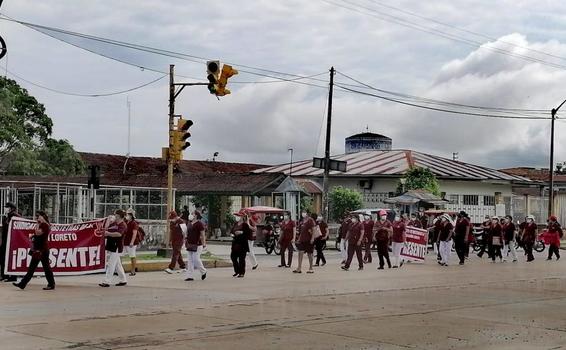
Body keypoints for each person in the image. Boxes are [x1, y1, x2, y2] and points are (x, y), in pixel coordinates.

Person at [13, 211, 55, 290]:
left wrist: (37, 225)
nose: (37, 218)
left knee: (46, 268)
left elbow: (38, 232)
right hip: (38, 250)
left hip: (42, 251)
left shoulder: (45, 225)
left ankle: (51, 284)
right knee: (32, 269)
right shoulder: (42, 225)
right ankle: (22, 284)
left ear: (43, 217)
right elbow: (37, 234)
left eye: (38, 216)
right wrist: (34, 236)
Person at [99, 210, 128, 287]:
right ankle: (123, 279)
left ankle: (106, 281)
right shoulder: (114, 223)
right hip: (111, 245)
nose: (114, 216)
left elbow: (118, 234)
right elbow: (106, 228)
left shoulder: (123, 225)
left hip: (117, 246)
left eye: (115, 215)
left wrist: (109, 234)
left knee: (111, 264)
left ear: (119, 216)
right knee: (117, 265)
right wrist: (108, 220)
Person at [185, 211, 207, 281]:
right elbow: (187, 233)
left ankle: (203, 271)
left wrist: (204, 243)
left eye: (192, 214)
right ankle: (190, 276)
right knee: (190, 260)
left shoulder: (199, 224)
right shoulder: (189, 223)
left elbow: (202, 234)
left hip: (198, 244)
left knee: (196, 259)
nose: (191, 215)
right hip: (190, 244)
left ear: (196, 215)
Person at [1, 202, 20, 282]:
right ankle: (4, 275)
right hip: (5, 240)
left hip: (12, 241)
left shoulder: (15, 216)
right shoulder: (6, 217)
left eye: (7, 207)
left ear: (11, 208)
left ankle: (12, 276)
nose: (5, 208)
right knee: (3, 258)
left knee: (11, 258)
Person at [230, 212, 252, 278]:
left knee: (241, 258)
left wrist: (241, 232)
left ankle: (242, 272)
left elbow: (248, 234)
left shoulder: (245, 225)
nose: (238, 217)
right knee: (233, 257)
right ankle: (237, 271)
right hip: (235, 242)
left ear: (243, 217)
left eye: (240, 216)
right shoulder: (235, 224)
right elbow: (232, 231)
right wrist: (232, 234)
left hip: (242, 243)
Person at [124, 208, 140, 276]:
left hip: (131, 243)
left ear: (131, 215)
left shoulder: (134, 223)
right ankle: (118, 270)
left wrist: (132, 242)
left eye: (128, 214)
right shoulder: (126, 222)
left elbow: (134, 233)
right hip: (125, 241)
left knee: (132, 256)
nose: (126, 216)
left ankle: (133, 270)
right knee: (120, 255)